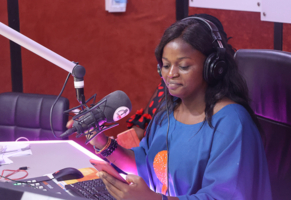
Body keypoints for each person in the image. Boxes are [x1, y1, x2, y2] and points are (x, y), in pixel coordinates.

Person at [70, 13, 273, 200]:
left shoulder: (231, 123)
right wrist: (100, 141)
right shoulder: (167, 114)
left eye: (183, 66)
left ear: (213, 68)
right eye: (166, 65)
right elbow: (145, 165)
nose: (171, 74)